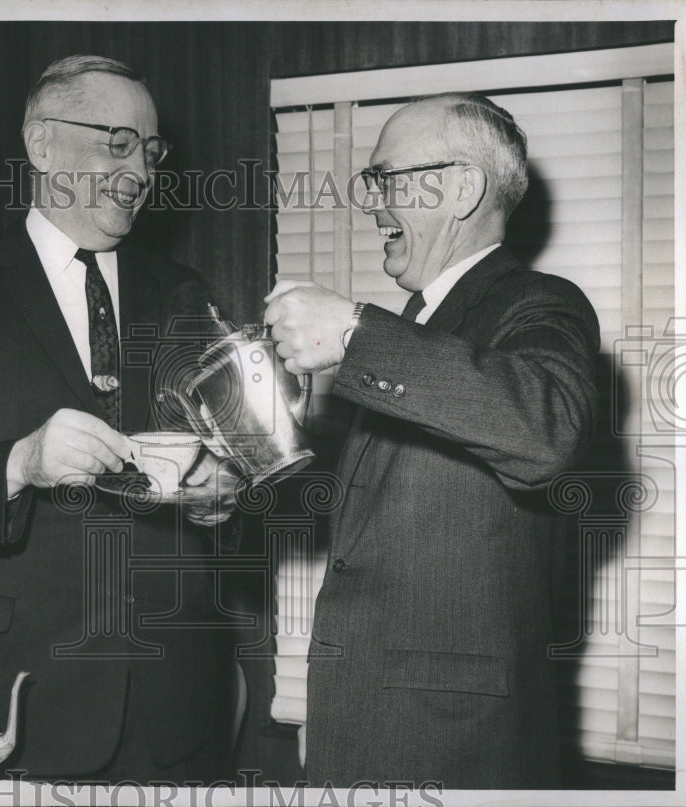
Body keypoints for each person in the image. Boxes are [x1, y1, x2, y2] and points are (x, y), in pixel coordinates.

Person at [0, 55, 235, 783]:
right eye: (117, 143)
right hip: (12, 710)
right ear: (41, 144)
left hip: (177, 710)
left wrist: (223, 494)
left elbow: (224, 465)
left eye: (151, 152)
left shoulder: (185, 293)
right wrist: (19, 463)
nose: (141, 172)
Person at [263, 92, 600, 789]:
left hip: (456, 748)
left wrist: (355, 334)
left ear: (461, 188)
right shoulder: (416, 332)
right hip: (358, 728)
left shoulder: (542, 304)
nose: (372, 201)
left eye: (385, 179)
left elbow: (545, 432)